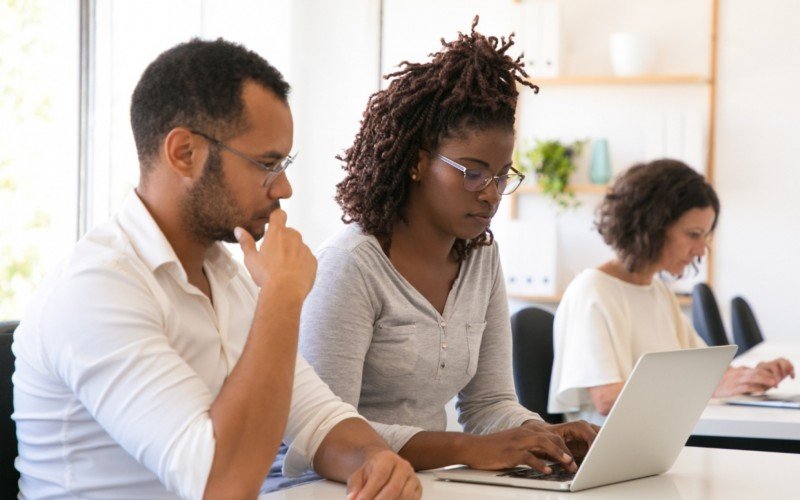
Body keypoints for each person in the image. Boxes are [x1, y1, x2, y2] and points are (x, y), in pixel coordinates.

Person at [12, 38, 420, 499]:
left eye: (284, 164)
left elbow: (318, 416)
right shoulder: (97, 288)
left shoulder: (224, 272)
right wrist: (282, 296)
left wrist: (373, 459)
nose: (283, 187)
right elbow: (220, 485)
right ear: (184, 153)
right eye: (266, 164)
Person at [298, 19, 597, 476]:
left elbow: (489, 402)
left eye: (501, 176)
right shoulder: (351, 265)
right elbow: (324, 432)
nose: (491, 193)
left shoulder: (481, 257)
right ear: (418, 163)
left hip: (431, 482)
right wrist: (468, 449)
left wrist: (541, 436)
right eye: (473, 172)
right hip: (342, 486)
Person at [548, 159, 795, 425]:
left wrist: (750, 376)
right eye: (693, 234)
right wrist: (712, 387)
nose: (701, 250)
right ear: (651, 227)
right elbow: (606, 399)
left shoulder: (658, 291)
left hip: (658, 435)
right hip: (613, 448)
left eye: (705, 237)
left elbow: (703, 372)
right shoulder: (592, 291)